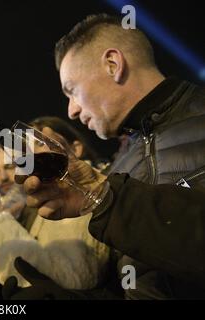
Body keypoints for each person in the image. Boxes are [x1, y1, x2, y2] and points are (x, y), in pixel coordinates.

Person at [17, 14, 205, 299]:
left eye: (72, 91)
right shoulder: (117, 168)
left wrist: (110, 199)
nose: (71, 111)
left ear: (113, 65)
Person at [0, 117, 110, 296]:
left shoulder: (68, 200)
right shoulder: (32, 210)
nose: (3, 177)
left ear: (76, 148)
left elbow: (71, 277)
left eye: (10, 166)